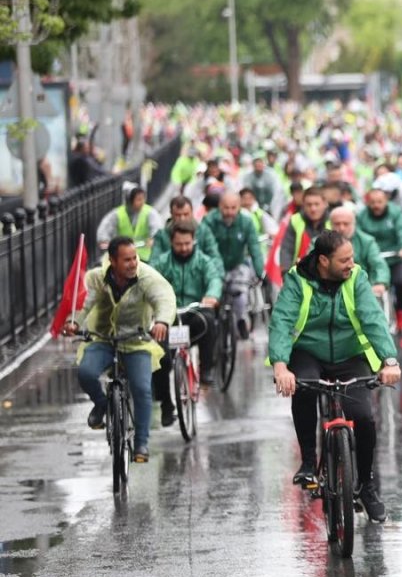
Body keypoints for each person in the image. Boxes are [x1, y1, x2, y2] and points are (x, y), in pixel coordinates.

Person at [269, 231, 400, 523]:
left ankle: (366, 485)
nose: (351, 264)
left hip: (349, 355)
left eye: (352, 257)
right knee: (303, 387)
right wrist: (280, 366)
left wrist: (389, 360)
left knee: (363, 417)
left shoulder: (357, 277)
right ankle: (308, 462)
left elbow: (373, 318)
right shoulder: (297, 280)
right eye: (344, 260)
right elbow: (282, 321)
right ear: (323, 261)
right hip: (308, 352)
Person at [64, 237, 176, 463]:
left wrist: (162, 321)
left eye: (135, 258)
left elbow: (163, 297)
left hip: (136, 341)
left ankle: (141, 442)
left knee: (142, 389)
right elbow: (85, 302)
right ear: (112, 261)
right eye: (127, 260)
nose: (133, 263)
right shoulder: (97, 278)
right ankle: (102, 404)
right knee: (86, 373)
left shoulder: (146, 277)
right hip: (103, 339)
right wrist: (73, 322)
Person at [150, 221, 222, 424]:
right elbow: (149, 282)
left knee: (209, 321)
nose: (183, 248)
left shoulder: (203, 261)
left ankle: (206, 370)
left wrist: (211, 295)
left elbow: (214, 279)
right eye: (179, 244)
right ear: (171, 243)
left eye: (187, 244)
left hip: (193, 313)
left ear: (193, 241)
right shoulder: (162, 263)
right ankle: (166, 404)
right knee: (160, 357)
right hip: (168, 317)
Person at [200, 190, 265, 339]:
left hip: (237, 264)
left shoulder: (246, 222)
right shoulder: (208, 221)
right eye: (226, 208)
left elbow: (255, 248)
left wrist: (260, 272)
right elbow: (204, 247)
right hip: (214, 266)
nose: (229, 212)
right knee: (213, 293)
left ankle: (241, 319)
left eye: (233, 208)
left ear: (239, 207)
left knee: (241, 292)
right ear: (219, 206)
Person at [357, 188, 402, 332]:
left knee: (401, 282)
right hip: (372, 259)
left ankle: (400, 310)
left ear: (386, 201)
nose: (376, 205)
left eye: (380, 202)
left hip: (394, 257)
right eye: (373, 202)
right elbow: (358, 236)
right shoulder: (362, 216)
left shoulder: (396, 212)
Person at [329, 207, 391, 300]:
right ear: (330, 224)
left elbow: (379, 264)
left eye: (346, 224)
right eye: (337, 224)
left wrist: (380, 282)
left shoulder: (367, 241)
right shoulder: (319, 242)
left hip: (361, 289)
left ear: (354, 224)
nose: (341, 228)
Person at [97, 183, 163, 261]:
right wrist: (104, 241)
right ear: (129, 201)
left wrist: (154, 239)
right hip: (123, 256)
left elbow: (157, 229)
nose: (142, 202)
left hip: (146, 257)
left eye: (143, 199)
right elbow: (104, 230)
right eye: (138, 199)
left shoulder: (150, 212)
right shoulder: (117, 214)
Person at [278, 187, 331, 272]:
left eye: (317, 204)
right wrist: (286, 273)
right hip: (299, 272)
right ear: (303, 205)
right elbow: (286, 249)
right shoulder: (295, 220)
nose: (313, 209)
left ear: (325, 204)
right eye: (309, 205)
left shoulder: (333, 221)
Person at [152, 195, 218, 258]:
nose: (182, 219)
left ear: (192, 212)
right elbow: (155, 260)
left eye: (186, 214)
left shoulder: (204, 232)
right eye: (178, 215)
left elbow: (214, 258)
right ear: (171, 214)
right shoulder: (161, 235)